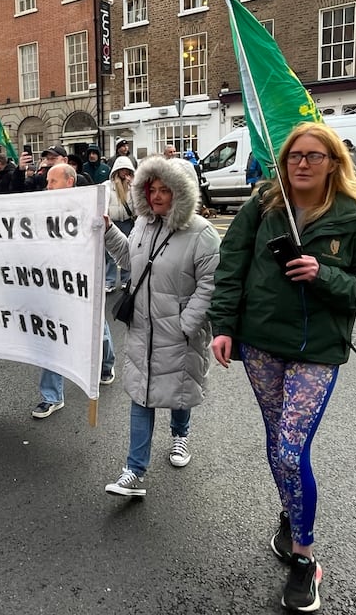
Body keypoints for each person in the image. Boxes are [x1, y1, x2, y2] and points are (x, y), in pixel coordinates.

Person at [207, 122, 356, 613]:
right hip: (262, 344)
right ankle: (292, 514)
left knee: (291, 450)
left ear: (334, 162)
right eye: (294, 156)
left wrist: (323, 273)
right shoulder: (264, 206)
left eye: (314, 156)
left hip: (317, 350)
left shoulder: (354, 218)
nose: (303, 163)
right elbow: (231, 265)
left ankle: (305, 558)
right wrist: (223, 326)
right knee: (276, 440)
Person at [102, 156, 220, 496]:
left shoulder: (202, 233)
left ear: (181, 192)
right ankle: (134, 471)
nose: (155, 196)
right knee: (142, 395)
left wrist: (188, 324)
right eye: (151, 188)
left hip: (179, 331)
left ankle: (180, 436)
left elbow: (211, 284)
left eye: (164, 189)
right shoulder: (143, 224)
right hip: (143, 327)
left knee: (178, 391)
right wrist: (110, 230)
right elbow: (130, 261)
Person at [32, 163, 117, 418]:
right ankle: (52, 396)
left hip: (83, 282)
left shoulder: (89, 207)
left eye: (52, 181)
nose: (48, 186)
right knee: (52, 336)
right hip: (53, 282)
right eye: (47, 181)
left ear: (69, 182)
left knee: (96, 330)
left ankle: (105, 365)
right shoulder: (43, 208)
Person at [104, 156, 135, 293]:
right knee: (110, 254)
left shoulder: (133, 186)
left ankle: (126, 279)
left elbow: (138, 204)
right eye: (121, 169)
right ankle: (109, 281)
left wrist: (134, 186)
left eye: (127, 170)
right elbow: (103, 202)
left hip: (127, 222)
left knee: (127, 251)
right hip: (113, 222)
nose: (124, 172)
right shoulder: (107, 186)